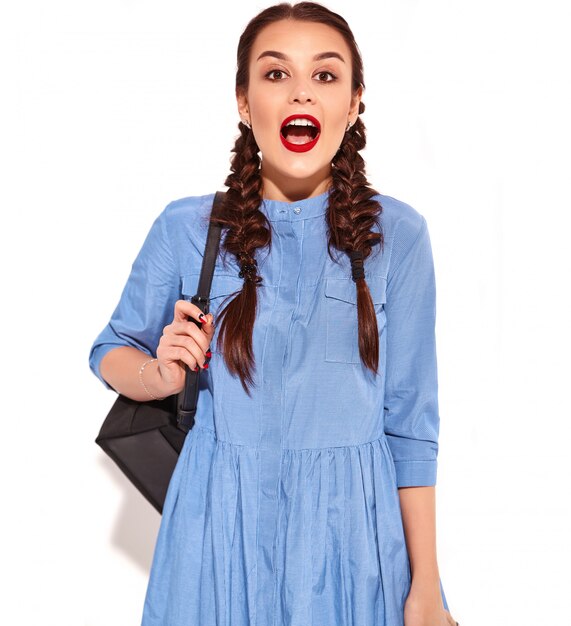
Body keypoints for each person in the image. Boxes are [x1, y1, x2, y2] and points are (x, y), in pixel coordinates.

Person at [89, 2, 460, 625]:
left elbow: (412, 426)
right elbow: (110, 350)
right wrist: (157, 375)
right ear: (243, 102)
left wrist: (426, 586)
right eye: (274, 74)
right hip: (216, 534)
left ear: (354, 101)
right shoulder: (187, 227)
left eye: (324, 75)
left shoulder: (399, 235)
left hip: (354, 542)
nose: (300, 95)